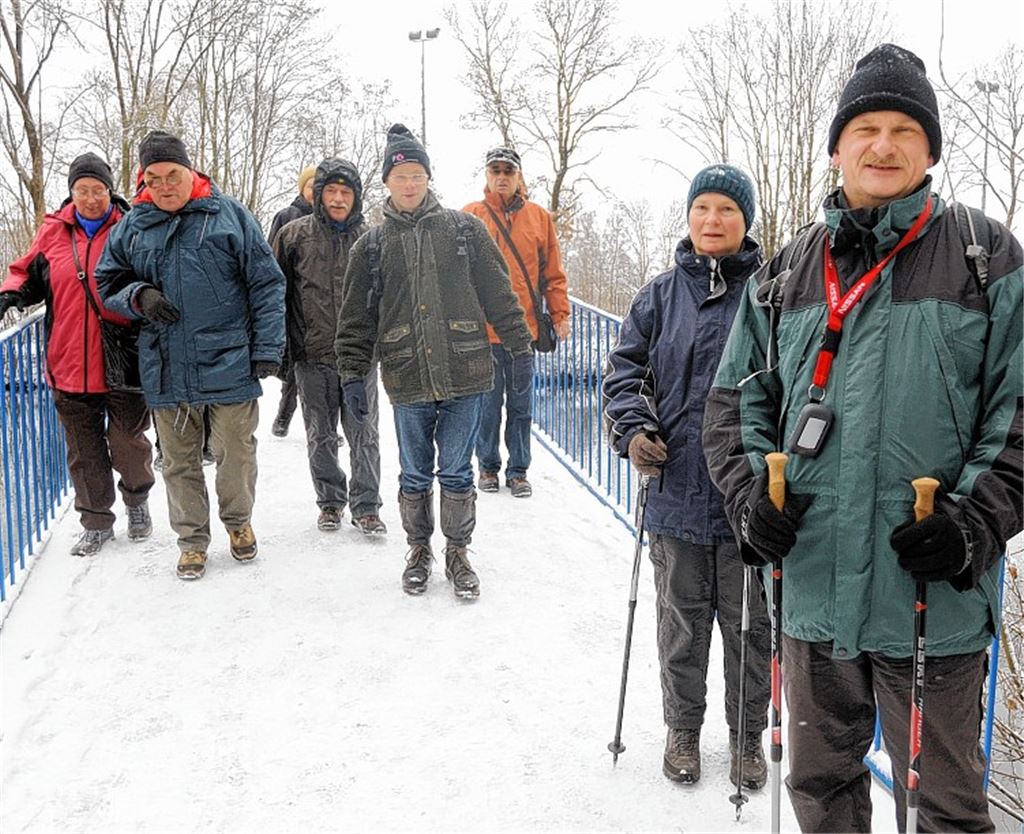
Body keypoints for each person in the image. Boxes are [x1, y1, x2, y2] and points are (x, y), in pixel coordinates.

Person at [703, 44, 1022, 832]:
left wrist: (973, 523)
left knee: (945, 805)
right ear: (838, 147)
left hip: (933, 598)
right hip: (811, 594)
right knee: (819, 788)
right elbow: (734, 405)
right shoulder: (783, 275)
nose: (883, 146)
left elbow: (1019, 417)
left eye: (904, 130)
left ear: (931, 150)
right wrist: (749, 501)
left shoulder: (988, 262)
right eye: (866, 128)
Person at [603, 164, 770, 788]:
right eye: (703, 209)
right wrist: (633, 430)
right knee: (681, 623)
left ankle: (748, 736)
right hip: (674, 496)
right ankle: (683, 730)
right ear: (689, 216)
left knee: (752, 630)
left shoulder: (771, 294)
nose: (712, 221)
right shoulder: (657, 296)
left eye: (726, 210)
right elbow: (624, 374)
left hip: (748, 500)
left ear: (744, 221)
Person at [335, 124, 533, 600]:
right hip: (407, 377)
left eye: (417, 173)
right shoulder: (372, 246)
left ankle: (458, 551)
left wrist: (520, 347)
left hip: (467, 371)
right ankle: (419, 548)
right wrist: (351, 375)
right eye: (400, 174)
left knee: (458, 471)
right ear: (387, 181)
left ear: (428, 178)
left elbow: (499, 294)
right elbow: (355, 319)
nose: (409, 183)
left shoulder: (465, 231)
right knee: (415, 472)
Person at [96, 130, 286, 581]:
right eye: (154, 177)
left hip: (229, 358)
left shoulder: (228, 216)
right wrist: (138, 296)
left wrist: (267, 349)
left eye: (172, 175)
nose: (164, 185)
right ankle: (192, 541)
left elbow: (267, 282)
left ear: (190, 171)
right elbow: (106, 283)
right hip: (165, 363)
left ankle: (238, 523)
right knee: (179, 462)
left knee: (235, 452)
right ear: (144, 180)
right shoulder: (132, 226)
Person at [1, 152, 154, 556]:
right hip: (69, 362)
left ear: (109, 191)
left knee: (128, 443)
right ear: (71, 193)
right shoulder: (53, 232)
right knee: (84, 453)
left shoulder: (129, 228)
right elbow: (26, 272)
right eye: (82, 190)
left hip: (123, 361)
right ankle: (96, 521)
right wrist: (9, 293)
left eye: (98, 190)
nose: (90, 198)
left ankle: (137, 501)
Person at [274, 158, 385, 535]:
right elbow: (278, 295)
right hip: (312, 354)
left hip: (360, 359)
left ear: (356, 196)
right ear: (319, 195)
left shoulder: (373, 240)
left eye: (346, 192)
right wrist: (282, 350)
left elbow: (388, 299)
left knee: (364, 432)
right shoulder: (293, 237)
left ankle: (367, 505)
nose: (338, 200)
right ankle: (330, 501)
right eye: (331, 192)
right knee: (320, 434)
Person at [463, 147, 570, 498]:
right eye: (495, 170)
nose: (502, 176)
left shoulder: (540, 218)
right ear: (487, 175)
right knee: (488, 406)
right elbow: (455, 275)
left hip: (524, 332)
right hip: (483, 332)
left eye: (509, 170)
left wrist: (560, 315)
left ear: (519, 176)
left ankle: (519, 471)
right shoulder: (470, 216)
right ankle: (488, 467)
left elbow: (553, 275)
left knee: (522, 407)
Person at [267, 165, 316, 438]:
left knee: (321, 371)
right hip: (293, 303)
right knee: (297, 367)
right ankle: (284, 416)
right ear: (302, 188)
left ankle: (322, 424)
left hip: (321, 306)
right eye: (311, 186)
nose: (315, 191)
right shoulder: (287, 216)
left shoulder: (330, 218)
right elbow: (273, 259)